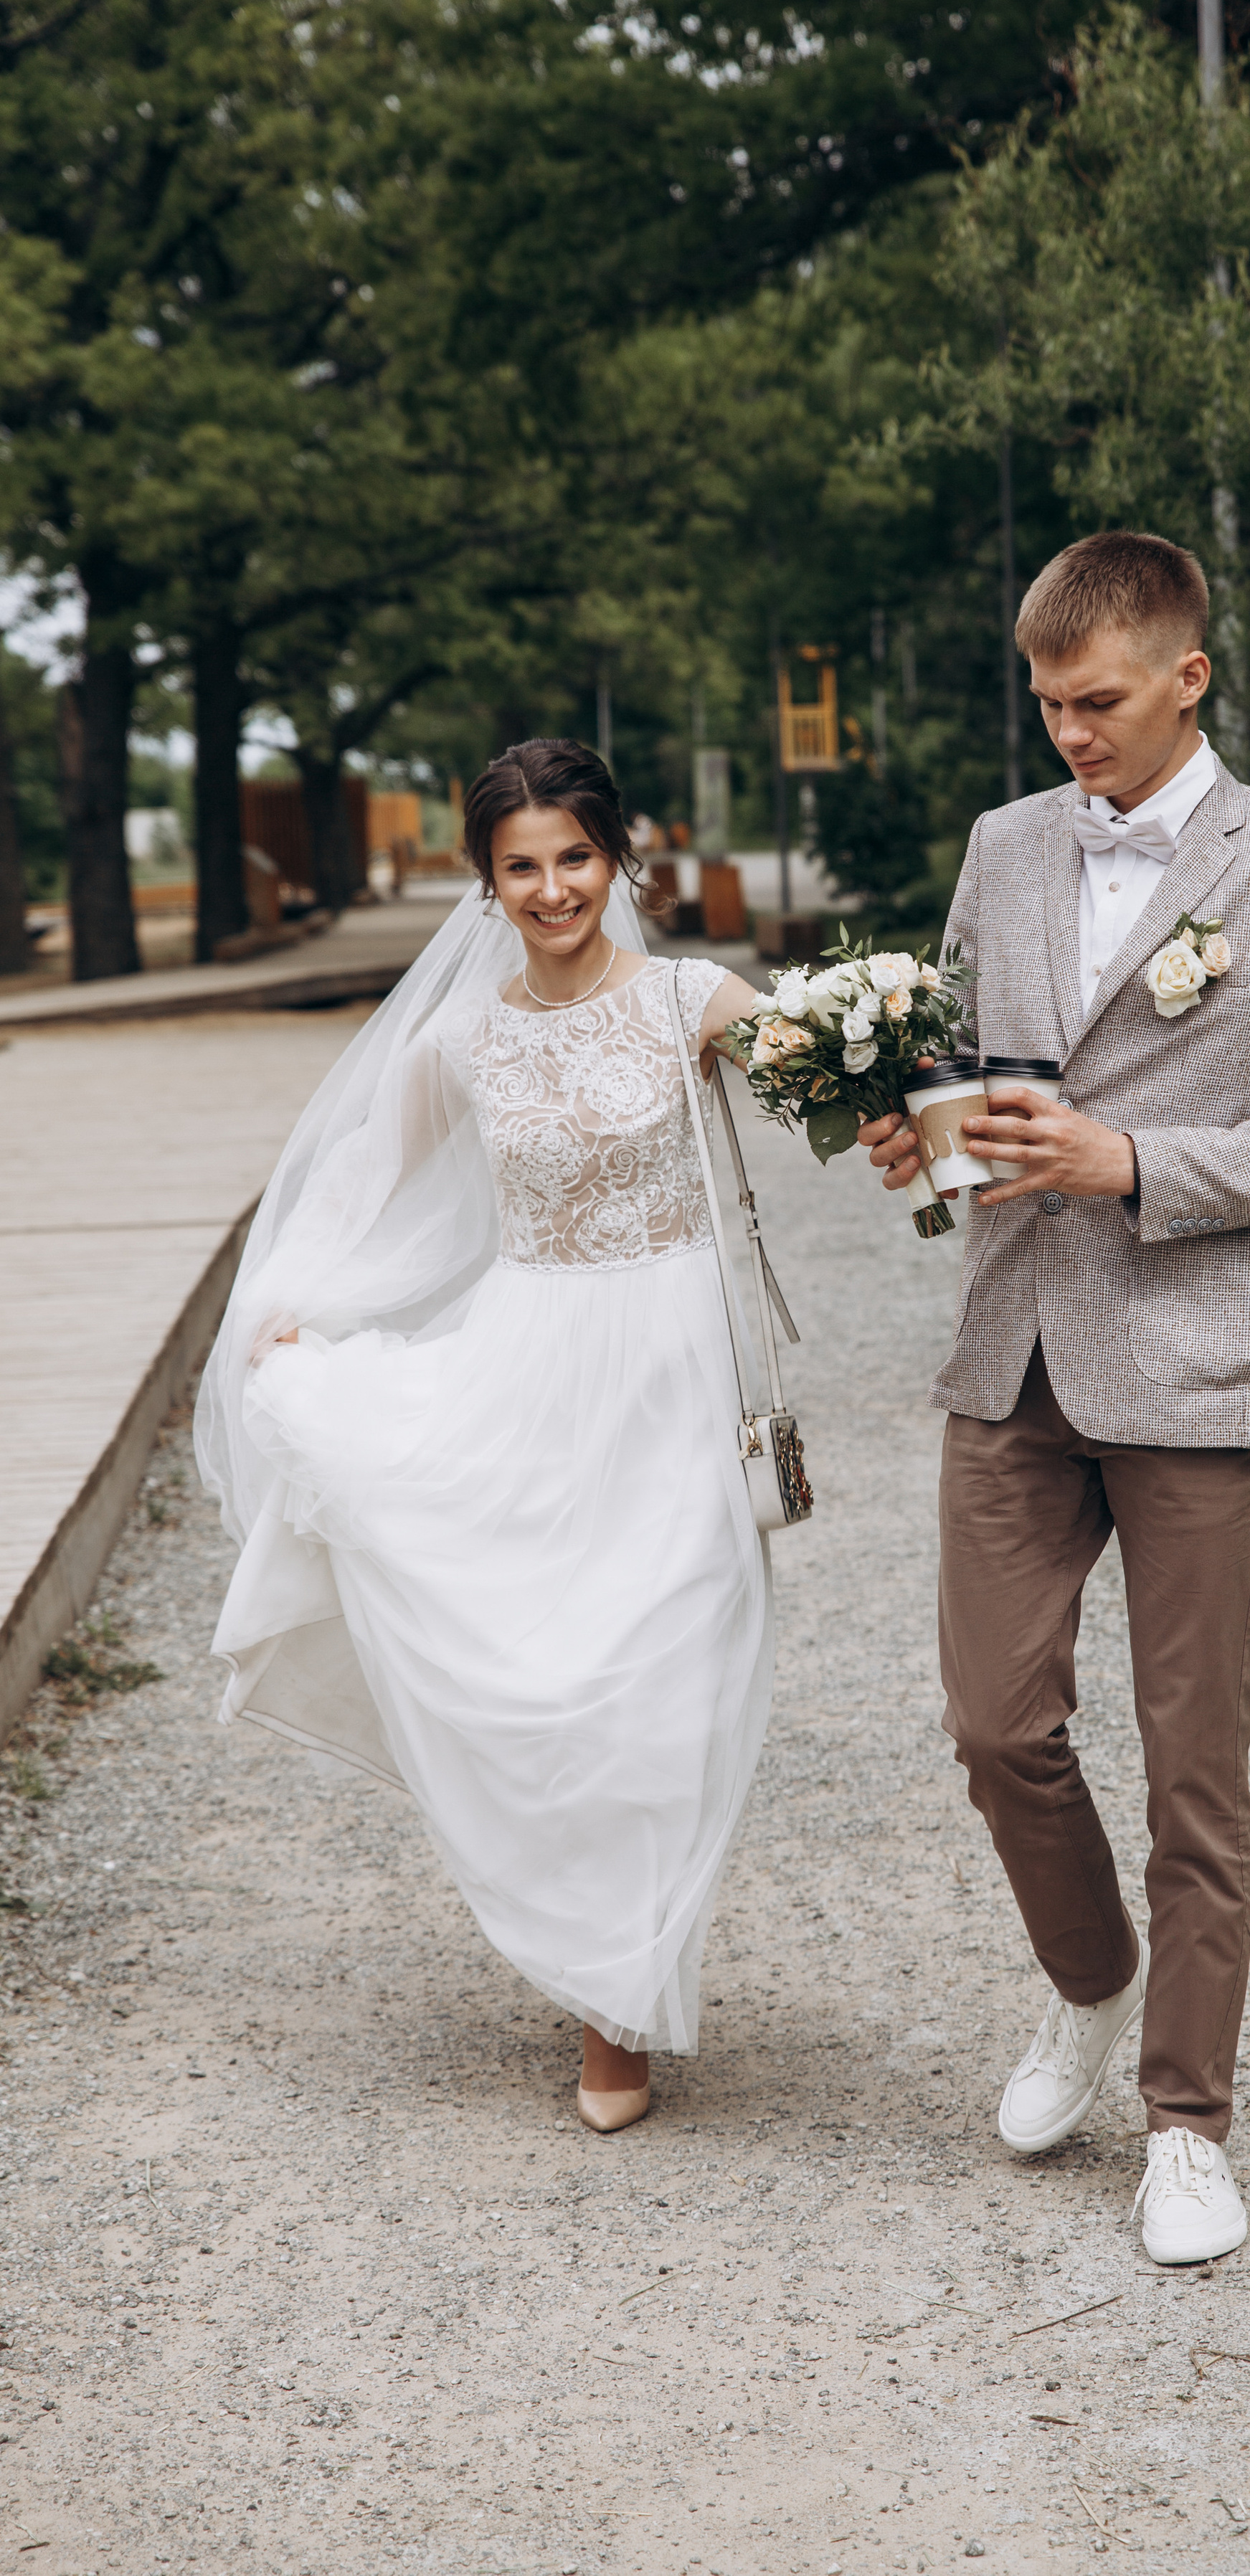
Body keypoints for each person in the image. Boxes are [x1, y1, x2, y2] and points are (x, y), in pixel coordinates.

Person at [861, 534, 1250, 2263]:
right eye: (1042, 703)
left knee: (1195, 1767)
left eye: (1093, 701)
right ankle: (1089, 1985)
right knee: (992, 1723)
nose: (1065, 736)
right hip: (1009, 1349)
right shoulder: (1001, 846)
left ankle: (1187, 2121)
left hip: (1191, 1367)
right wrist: (913, 1132)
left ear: (1187, 677)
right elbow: (959, 1062)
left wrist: (1127, 1160)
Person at [196, 741, 770, 2136]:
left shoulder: (695, 1002)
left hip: (673, 1374)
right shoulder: (458, 1040)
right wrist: (290, 1318)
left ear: (614, 858)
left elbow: (859, 1083)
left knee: (665, 1679)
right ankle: (601, 1973)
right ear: (488, 883)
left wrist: (891, 1057)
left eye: (574, 857)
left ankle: (621, 2003)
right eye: (521, 866)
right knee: (546, 1672)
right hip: (530, 1373)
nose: (552, 887)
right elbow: (354, 1192)